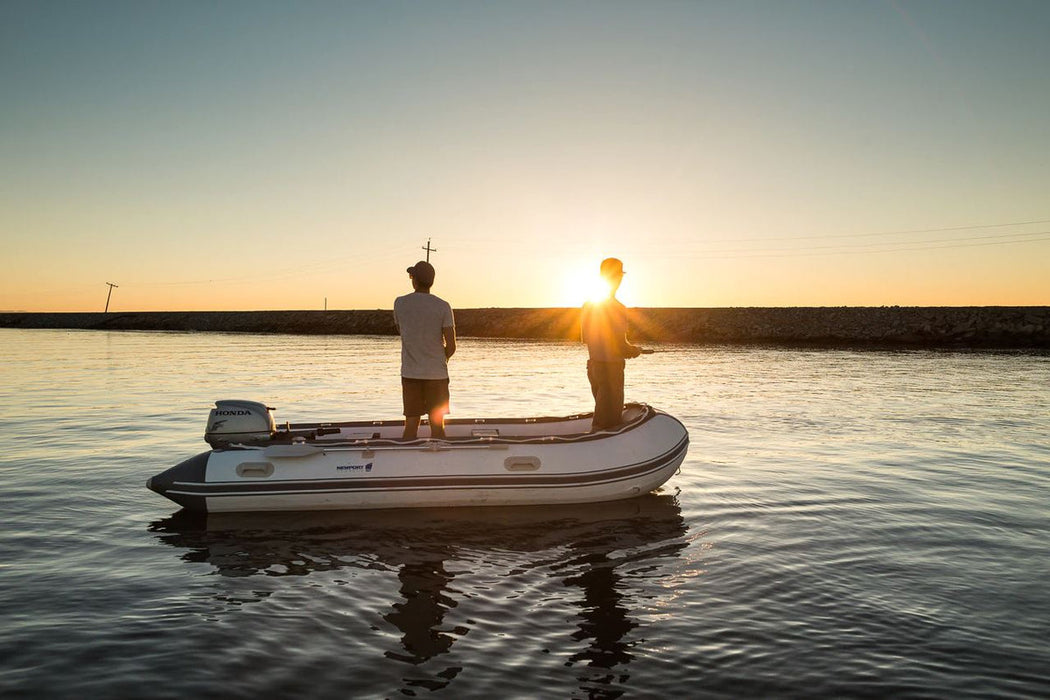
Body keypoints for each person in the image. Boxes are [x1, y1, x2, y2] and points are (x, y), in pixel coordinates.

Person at [581, 257, 651, 430]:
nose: (619, 280)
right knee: (607, 423)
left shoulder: (588, 306)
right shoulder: (617, 308)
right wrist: (635, 350)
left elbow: (586, 339)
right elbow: (621, 347)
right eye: (618, 276)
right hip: (610, 370)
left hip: (593, 368)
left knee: (602, 417)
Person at [393, 261, 456, 439]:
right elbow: (451, 346)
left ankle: (407, 465)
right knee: (438, 428)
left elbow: (402, 331)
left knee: (411, 427)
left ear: (415, 280)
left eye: (411, 276)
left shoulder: (400, 303)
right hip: (437, 375)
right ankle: (440, 465)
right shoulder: (443, 306)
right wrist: (440, 360)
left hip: (411, 374)